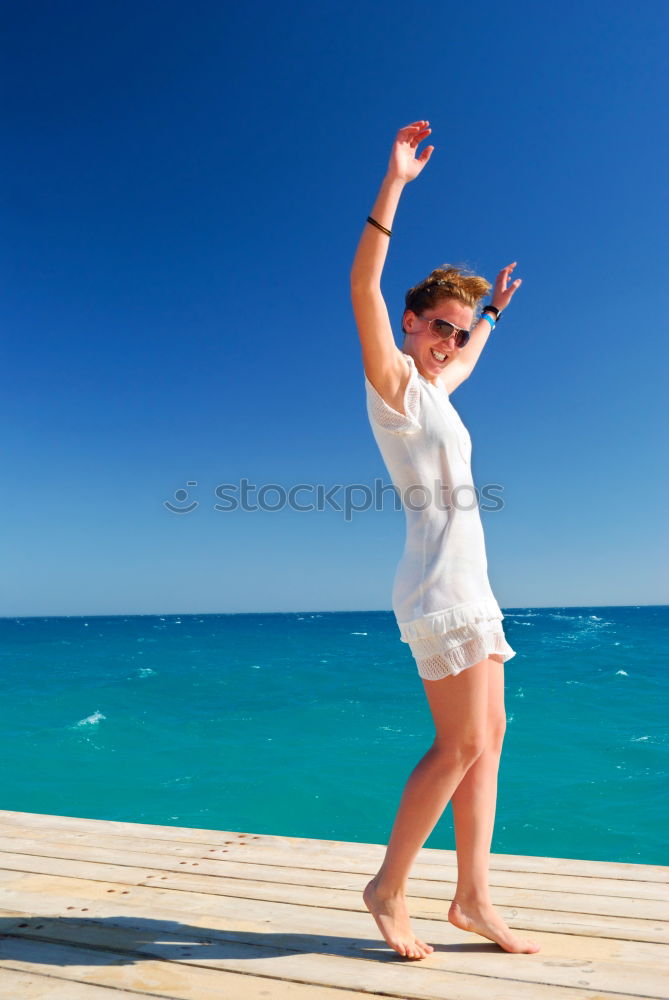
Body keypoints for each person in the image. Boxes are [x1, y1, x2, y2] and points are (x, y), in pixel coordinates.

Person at [350, 121, 540, 959]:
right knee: (457, 742)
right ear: (411, 321)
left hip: (475, 585)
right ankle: (387, 888)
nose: (449, 343)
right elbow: (362, 283)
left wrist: (492, 309)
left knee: (489, 740)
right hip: (437, 587)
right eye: (440, 327)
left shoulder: (443, 387)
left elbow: (474, 357)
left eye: (459, 332)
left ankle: (471, 898)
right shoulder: (394, 383)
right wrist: (394, 185)